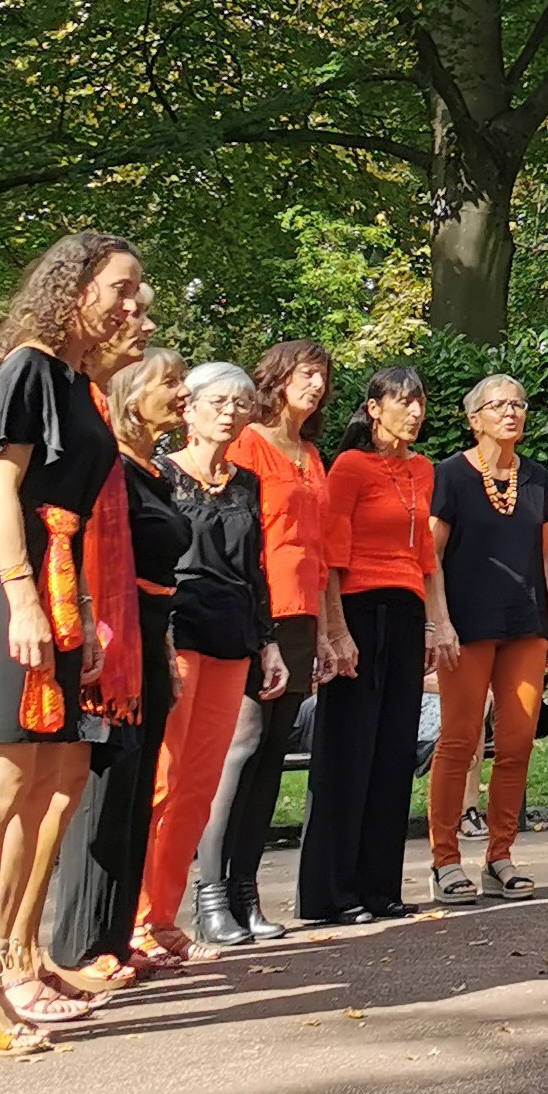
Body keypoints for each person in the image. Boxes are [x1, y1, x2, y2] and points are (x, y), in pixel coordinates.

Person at [0, 230, 153, 1057]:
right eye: (121, 288)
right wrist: (24, 600)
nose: (136, 304)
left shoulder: (77, 383)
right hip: (3, 589)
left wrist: (84, 613)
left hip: (54, 591)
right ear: (75, 284)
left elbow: (76, 515)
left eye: (140, 293)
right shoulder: (29, 367)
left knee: (27, 791)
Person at [133, 364, 290, 964]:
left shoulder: (248, 483)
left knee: (199, 788)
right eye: (217, 401)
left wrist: (267, 642)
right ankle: (135, 920)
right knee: (164, 782)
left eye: (241, 402)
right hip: (178, 635)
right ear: (188, 408)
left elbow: (255, 571)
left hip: (233, 640)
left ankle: (165, 921)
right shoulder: (160, 474)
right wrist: (159, 639)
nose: (229, 412)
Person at [43, 348, 189, 992]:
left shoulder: (153, 471)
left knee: (132, 796)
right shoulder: (108, 469)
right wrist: (97, 635)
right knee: (103, 794)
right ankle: (78, 947)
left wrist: (162, 648)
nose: (182, 392)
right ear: (132, 397)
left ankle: (118, 935)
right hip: (109, 639)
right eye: (171, 382)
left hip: (150, 636)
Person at [192, 340, 335, 946]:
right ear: (276, 380)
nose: (318, 385)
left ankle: (247, 893)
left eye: (324, 376)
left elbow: (322, 552)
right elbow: (241, 542)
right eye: (307, 373)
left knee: (272, 754)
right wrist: (262, 628)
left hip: (304, 617)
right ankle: (209, 895)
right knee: (239, 748)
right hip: (258, 613)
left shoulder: (310, 452)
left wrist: (329, 632)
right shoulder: (246, 444)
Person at [300, 367, 446, 927]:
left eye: (420, 402)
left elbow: (426, 560)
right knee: (348, 753)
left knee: (391, 753)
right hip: (358, 610)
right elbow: (331, 554)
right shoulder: (350, 466)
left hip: (407, 614)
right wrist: (336, 631)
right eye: (403, 401)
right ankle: (330, 893)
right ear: (374, 408)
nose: (414, 411)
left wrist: (437, 626)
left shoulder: (423, 469)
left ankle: (380, 887)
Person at [425, 373, 548, 901]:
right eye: (498, 404)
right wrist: (438, 622)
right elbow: (432, 558)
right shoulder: (450, 476)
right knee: (459, 742)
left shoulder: (537, 478)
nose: (511, 412)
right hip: (466, 626)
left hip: (525, 625)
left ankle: (500, 856)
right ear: (473, 418)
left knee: (515, 743)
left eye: (518, 404)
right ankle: (445, 860)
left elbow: (546, 555)